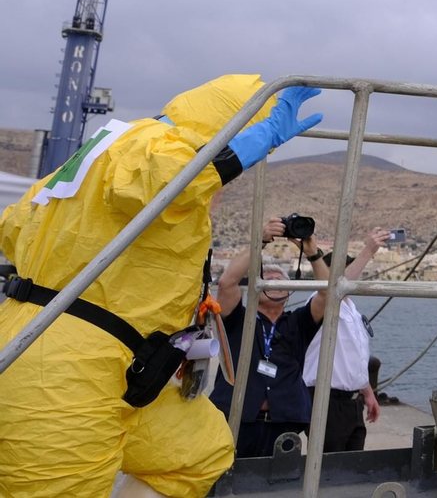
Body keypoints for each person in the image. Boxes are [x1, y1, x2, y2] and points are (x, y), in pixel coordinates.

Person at [0, 76, 322, 498]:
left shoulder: (95, 158)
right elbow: (169, 182)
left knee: (198, 454)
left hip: (120, 367)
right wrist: (245, 147)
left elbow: (12, 228)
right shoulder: (150, 143)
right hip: (61, 369)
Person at [210, 224, 331, 458]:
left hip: (285, 423)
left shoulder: (298, 323)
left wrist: (312, 252)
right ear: (257, 288)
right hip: (235, 420)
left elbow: (327, 293)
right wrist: (260, 241)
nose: (274, 282)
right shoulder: (238, 319)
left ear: (289, 291)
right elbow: (227, 283)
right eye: (268, 279)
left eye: (280, 280)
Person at [301, 227, 388, 452]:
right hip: (327, 401)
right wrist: (368, 251)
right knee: (328, 468)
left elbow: (353, 359)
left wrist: (367, 392)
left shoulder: (352, 310)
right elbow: (334, 289)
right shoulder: (320, 304)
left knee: (350, 467)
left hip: (351, 402)